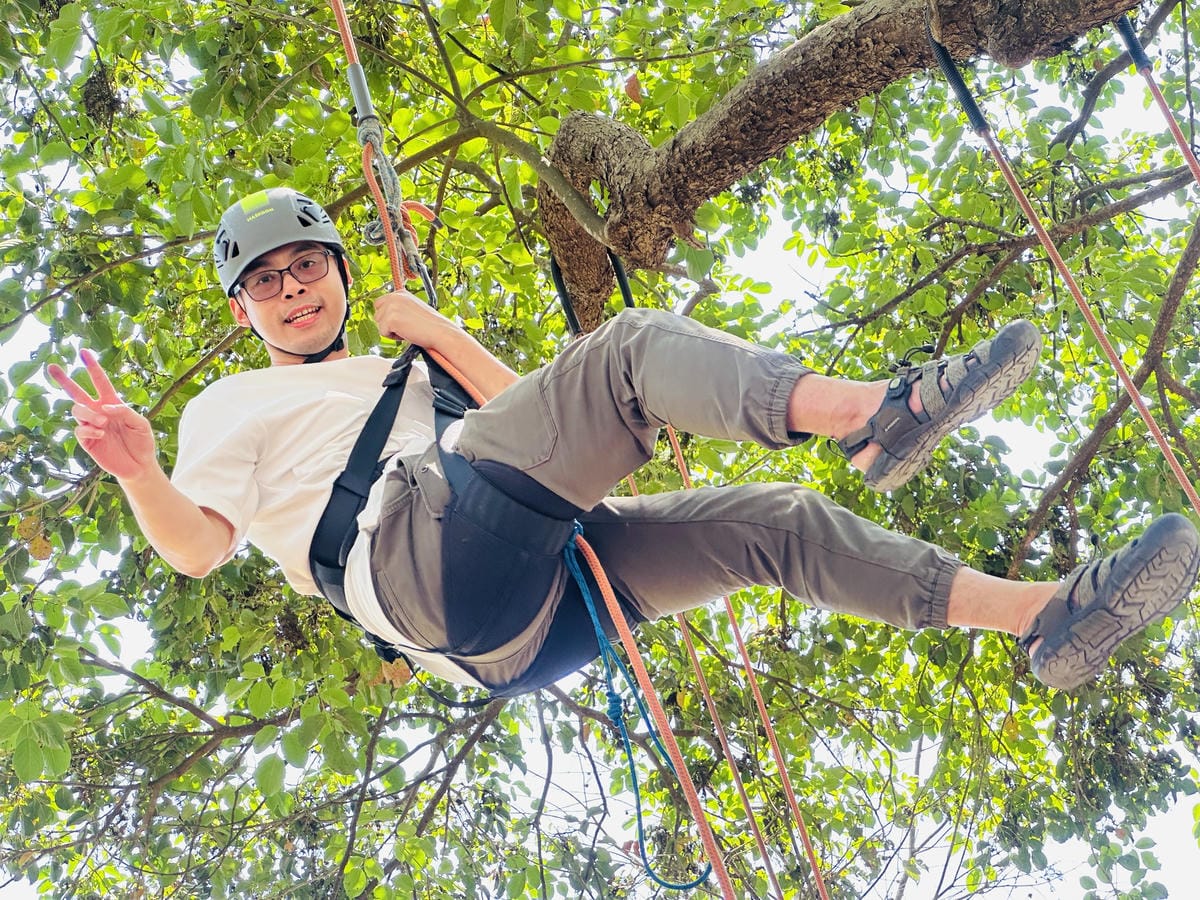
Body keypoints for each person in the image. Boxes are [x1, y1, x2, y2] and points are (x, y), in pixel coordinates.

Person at [49, 187, 1200, 697]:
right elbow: (198, 549)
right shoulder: (229, 412)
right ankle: (877, 413)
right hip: (417, 564)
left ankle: (1050, 619)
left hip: (521, 610)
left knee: (769, 525)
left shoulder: (398, 358)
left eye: (309, 266)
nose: (294, 289)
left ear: (340, 276)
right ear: (244, 313)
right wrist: (141, 469)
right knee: (633, 343)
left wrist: (434, 331)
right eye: (267, 283)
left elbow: (543, 405)